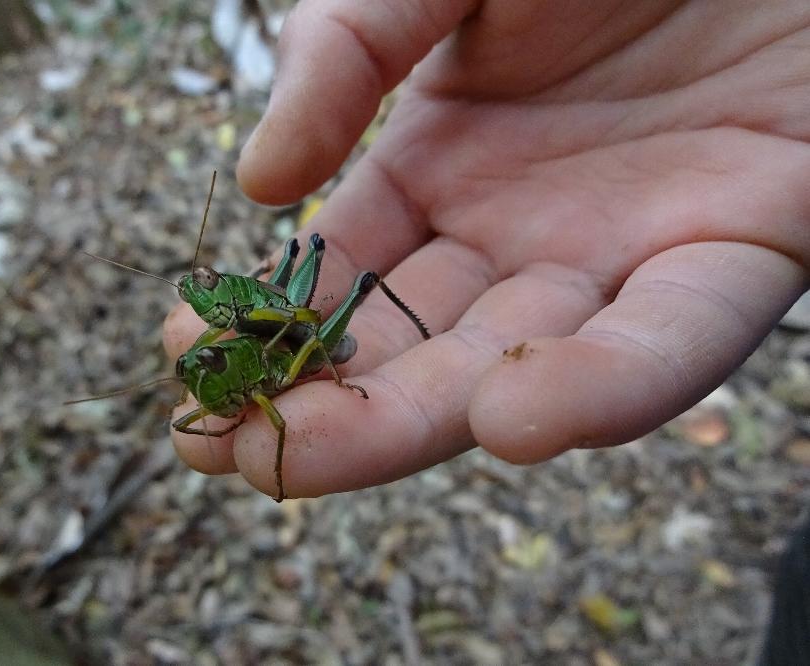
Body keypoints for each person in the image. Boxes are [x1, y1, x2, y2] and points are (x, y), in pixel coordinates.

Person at [163, 0, 810, 500]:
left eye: (206, 284)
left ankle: (356, 348)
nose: (203, 295)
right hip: (278, 334)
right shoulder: (222, 329)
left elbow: (294, 318)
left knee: (314, 268)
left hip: (307, 327)